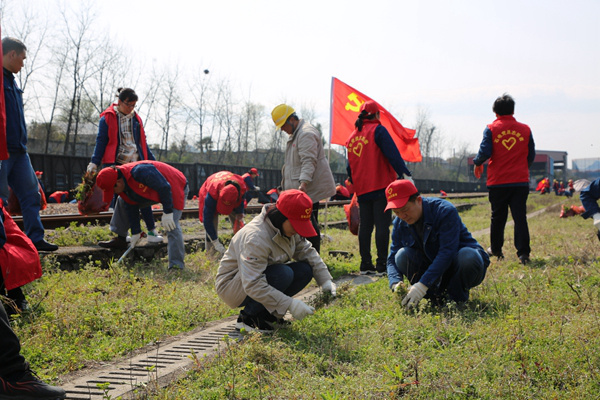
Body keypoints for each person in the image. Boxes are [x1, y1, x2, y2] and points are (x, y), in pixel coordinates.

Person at [215, 189, 336, 333]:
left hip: (257, 277)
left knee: (304, 270)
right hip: (233, 286)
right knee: (283, 273)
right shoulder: (256, 237)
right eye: (295, 225)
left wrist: (325, 280)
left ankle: (267, 316)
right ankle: (248, 319)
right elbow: (252, 283)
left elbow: (307, 251)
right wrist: (290, 304)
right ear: (281, 216)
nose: (297, 231)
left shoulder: (287, 229)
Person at [385, 180, 489, 309]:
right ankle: (435, 297)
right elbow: (392, 259)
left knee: (467, 256)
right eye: (396, 212)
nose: (402, 216)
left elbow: (447, 252)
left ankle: (456, 298)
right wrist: (395, 283)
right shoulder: (399, 223)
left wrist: (422, 284)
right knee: (401, 256)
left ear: (418, 200)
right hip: (433, 269)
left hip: (459, 264)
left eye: (405, 209)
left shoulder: (444, 211)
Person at [0, 37, 57, 252]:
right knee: (1, 200)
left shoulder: (11, 81)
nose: (23, 65)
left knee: (32, 194)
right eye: (22, 59)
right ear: (11, 54)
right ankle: (3, 246)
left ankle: (35, 239)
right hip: (2, 150)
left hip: (19, 151)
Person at [88, 88, 163, 247]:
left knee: (144, 195)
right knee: (122, 201)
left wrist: (154, 162)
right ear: (120, 102)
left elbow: (142, 143)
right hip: (117, 165)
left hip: (136, 164)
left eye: (134, 105)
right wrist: (94, 162)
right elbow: (101, 142)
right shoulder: (107, 119)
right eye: (128, 104)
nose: (131, 108)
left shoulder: (136, 119)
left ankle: (151, 231)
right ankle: (123, 236)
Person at [345, 100, 413, 275]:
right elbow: (392, 154)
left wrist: (355, 181)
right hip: (381, 185)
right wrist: (405, 173)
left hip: (362, 189)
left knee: (365, 226)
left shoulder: (352, 137)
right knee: (382, 225)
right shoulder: (378, 130)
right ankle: (382, 265)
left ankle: (365, 264)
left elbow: (349, 167)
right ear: (376, 115)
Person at [473, 93, 535, 265]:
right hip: (520, 182)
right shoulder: (525, 129)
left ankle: (496, 249)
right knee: (519, 217)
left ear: (495, 112)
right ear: (512, 111)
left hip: (498, 182)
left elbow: (485, 152)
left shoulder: (491, 128)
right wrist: (521, 168)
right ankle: (523, 253)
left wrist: (477, 163)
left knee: (498, 217)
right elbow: (531, 155)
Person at [95, 161, 189, 270]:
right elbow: (131, 204)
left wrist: (168, 212)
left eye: (113, 189)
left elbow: (164, 187)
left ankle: (176, 266)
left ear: (119, 182)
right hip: (151, 189)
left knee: (171, 225)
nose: (114, 193)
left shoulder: (141, 172)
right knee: (122, 200)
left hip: (174, 185)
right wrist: (136, 232)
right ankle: (121, 239)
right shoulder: (121, 183)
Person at [271, 104, 336, 254]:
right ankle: (308, 257)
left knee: (309, 227)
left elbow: (309, 161)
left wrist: (303, 184)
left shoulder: (306, 133)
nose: (282, 130)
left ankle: (314, 260)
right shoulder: (297, 134)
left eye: (283, 125)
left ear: (292, 120)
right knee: (306, 226)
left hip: (307, 191)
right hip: (301, 190)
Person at [198, 171, 247, 256]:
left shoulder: (242, 187)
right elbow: (207, 220)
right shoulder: (211, 195)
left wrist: (240, 216)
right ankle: (211, 254)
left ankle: (243, 247)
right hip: (210, 188)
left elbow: (240, 204)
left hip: (231, 194)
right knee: (211, 223)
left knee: (238, 220)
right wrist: (215, 241)